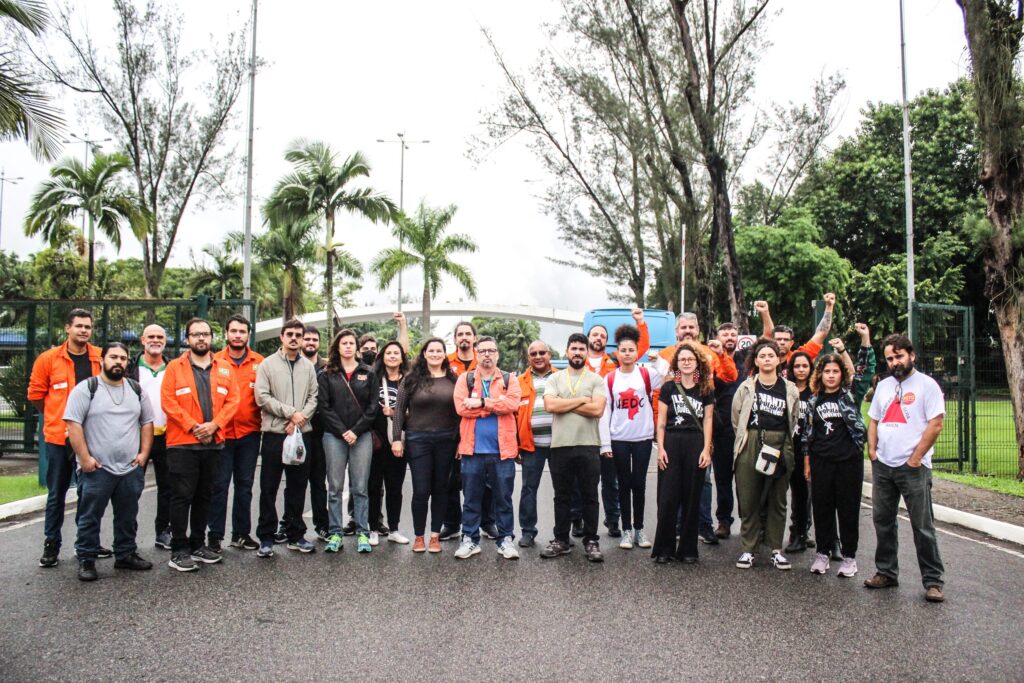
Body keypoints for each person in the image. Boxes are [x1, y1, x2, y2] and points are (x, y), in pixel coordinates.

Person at [865, 334, 946, 603]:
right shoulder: (885, 386)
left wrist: (915, 458)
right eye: (890, 358)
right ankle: (886, 572)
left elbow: (935, 424)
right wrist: (873, 450)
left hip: (913, 467)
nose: (894, 362)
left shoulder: (927, 386)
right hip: (883, 466)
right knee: (883, 521)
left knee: (922, 526)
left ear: (911, 355)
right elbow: (874, 420)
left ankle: (933, 581)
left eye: (899, 356)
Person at [65, 342, 154, 581]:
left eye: (123, 358)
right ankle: (86, 559)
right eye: (113, 357)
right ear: (102, 360)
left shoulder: (136, 390)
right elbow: (73, 424)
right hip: (97, 468)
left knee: (127, 515)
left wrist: (144, 454)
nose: (119, 362)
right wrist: (84, 459)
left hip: (130, 468)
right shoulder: (87, 389)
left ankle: (125, 555)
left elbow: (147, 423)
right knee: (90, 516)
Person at [161, 318, 240, 572]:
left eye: (205, 334)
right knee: (182, 496)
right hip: (183, 444)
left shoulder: (225, 368)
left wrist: (214, 425)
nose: (201, 339)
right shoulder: (174, 367)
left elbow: (233, 402)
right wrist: (195, 427)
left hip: (214, 443)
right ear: (187, 339)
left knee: (205, 496)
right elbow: (168, 402)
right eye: (196, 335)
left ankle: (197, 543)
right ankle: (179, 549)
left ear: (212, 338)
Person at [652, 312, 737, 546]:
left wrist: (722, 355)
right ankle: (678, 526)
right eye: (683, 327)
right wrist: (658, 426)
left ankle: (704, 525)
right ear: (676, 331)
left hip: (702, 425)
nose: (687, 331)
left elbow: (730, 377)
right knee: (675, 479)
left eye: (691, 327)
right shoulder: (665, 355)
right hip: (675, 428)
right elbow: (662, 392)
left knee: (704, 479)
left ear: (698, 329)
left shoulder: (708, 353)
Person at [29, 308, 104, 568]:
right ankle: (52, 544)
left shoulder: (99, 357)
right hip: (58, 438)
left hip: (91, 438)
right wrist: (56, 417)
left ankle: (87, 541)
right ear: (67, 328)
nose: (84, 330)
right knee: (57, 494)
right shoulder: (48, 359)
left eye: (88, 327)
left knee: (90, 492)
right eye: (79, 326)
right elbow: (36, 396)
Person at [731, 338, 800, 571]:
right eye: (763, 356)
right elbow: (736, 417)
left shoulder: (789, 388)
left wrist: (784, 446)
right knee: (749, 497)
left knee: (777, 500)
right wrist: (746, 439)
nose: (767, 359)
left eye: (772, 355)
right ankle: (749, 549)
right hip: (751, 443)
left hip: (780, 443)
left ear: (779, 359)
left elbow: (794, 418)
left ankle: (774, 550)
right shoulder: (746, 386)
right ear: (756, 360)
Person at [253, 318, 319, 558]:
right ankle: (267, 537)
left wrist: (299, 420)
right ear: (281, 337)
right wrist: (291, 415)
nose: (294, 338)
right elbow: (262, 397)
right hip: (274, 435)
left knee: (297, 487)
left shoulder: (308, 367)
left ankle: (295, 534)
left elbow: (314, 397)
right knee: (269, 487)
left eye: (298, 335)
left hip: (302, 435)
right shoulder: (267, 365)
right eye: (289, 334)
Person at [540, 333, 608, 562]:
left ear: (587, 353)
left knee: (590, 496)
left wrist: (564, 404)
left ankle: (591, 541)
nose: (578, 352)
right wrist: (582, 400)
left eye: (582, 349)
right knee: (562, 496)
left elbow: (597, 410)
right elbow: (550, 405)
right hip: (560, 446)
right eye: (574, 348)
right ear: (567, 352)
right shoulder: (555, 379)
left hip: (589, 445)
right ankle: (561, 540)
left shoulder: (596, 380)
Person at [453, 336, 522, 560]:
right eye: (482, 351)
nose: (487, 355)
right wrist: (495, 407)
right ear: (476, 353)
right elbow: (461, 408)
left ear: (497, 354)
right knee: (471, 498)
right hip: (472, 450)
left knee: (503, 498)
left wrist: (482, 403)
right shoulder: (466, 378)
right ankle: (470, 539)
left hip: (502, 451)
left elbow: (512, 404)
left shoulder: (510, 379)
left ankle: (505, 540)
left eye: (491, 350)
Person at [601, 324, 667, 550]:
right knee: (623, 484)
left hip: (643, 437)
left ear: (637, 351)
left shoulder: (647, 373)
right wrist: (605, 443)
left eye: (631, 349)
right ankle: (626, 529)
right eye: (623, 350)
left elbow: (671, 374)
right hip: (618, 438)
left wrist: (656, 359)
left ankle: (639, 528)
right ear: (617, 352)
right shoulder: (609, 379)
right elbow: (605, 412)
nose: (627, 353)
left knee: (639, 483)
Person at [391, 338, 460, 553]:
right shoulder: (411, 379)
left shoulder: (454, 379)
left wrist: (460, 441)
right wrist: (396, 438)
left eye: (439, 350)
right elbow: (399, 411)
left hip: (446, 440)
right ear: (424, 353)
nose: (435, 354)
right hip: (418, 439)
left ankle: (434, 536)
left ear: (444, 354)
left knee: (441, 488)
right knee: (421, 490)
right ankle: (419, 536)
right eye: (431, 350)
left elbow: (460, 414)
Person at [802, 352, 867, 579]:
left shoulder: (849, 396)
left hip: (848, 461)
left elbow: (864, 373)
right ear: (820, 374)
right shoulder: (814, 400)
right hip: (821, 461)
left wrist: (857, 346)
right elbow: (807, 435)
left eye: (835, 371)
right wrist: (807, 462)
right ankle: (822, 553)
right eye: (827, 371)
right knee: (822, 508)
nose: (831, 376)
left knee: (848, 509)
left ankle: (849, 557)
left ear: (842, 374)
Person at [651, 342, 714, 564]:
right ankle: (664, 548)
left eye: (690, 359)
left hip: (695, 443)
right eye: (682, 359)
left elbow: (708, 420)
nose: (686, 362)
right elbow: (660, 422)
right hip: (672, 441)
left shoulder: (705, 388)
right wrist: (660, 449)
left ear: (697, 363)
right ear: (676, 363)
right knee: (668, 498)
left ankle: (688, 549)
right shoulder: (668, 387)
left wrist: (707, 449)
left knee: (691, 496)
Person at [318, 329, 379, 554]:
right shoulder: (326, 374)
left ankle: (362, 532)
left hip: (362, 436)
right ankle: (335, 532)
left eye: (351, 343)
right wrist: (344, 431)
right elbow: (324, 407)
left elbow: (374, 407)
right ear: (337, 347)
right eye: (343, 343)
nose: (348, 347)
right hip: (334, 436)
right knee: (334, 487)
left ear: (357, 347)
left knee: (360, 487)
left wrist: (356, 430)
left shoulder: (369, 373)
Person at [207, 315, 265, 552]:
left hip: (249, 434)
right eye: (234, 331)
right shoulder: (214, 361)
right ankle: (215, 535)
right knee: (219, 486)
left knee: (245, 485)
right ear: (226, 334)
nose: (238, 335)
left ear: (248, 335)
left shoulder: (259, 362)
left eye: (242, 331)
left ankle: (241, 534)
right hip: (221, 435)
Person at [441, 321, 497, 542]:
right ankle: (452, 523)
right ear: (455, 339)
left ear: (474, 339)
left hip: (477, 427)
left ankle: (487, 522)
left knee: (485, 479)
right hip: (449, 428)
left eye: (468, 334)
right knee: (450, 480)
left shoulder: (483, 361)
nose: (464, 337)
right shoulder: (446, 363)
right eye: (460, 334)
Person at [126, 324, 171, 551]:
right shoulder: (130, 368)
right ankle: (127, 537)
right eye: (151, 337)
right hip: (136, 438)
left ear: (165, 341)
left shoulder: (174, 368)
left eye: (160, 337)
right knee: (131, 488)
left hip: (167, 436)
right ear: (142, 340)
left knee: (168, 488)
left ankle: (163, 531)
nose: (155, 340)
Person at [515, 340, 555, 548]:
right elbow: (513, 415)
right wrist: (515, 445)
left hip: (560, 444)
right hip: (531, 445)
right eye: (533, 353)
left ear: (549, 354)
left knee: (565, 489)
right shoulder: (519, 381)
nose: (538, 356)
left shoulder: (561, 377)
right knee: (529, 489)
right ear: (528, 357)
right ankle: (528, 531)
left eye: (542, 352)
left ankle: (563, 531)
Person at [371, 340, 410, 544]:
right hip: (376, 440)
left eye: (396, 353)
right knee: (374, 486)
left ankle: (394, 529)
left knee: (395, 486)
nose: (393, 356)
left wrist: (395, 412)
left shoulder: (410, 380)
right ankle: (374, 529)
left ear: (402, 357)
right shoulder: (374, 378)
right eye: (388, 353)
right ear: (382, 357)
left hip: (400, 440)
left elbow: (416, 410)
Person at [299, 324, 330, 543]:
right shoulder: (293, 365)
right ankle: (291, 525)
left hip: (321, 432)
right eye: (306, 339)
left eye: (314, 340)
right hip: (297, 430)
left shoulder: (328, 367)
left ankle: (322, 525)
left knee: (319, 482)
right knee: (296, 482)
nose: (310, 343)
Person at [783, 351, 815, 555]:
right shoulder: (787, 390)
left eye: (805, 366)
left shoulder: (816, 391)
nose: (801, 370)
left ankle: (800, 535)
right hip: (788, 446)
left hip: (809, 450)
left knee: (803, 495)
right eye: (797, 366)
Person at [760, 293, 836, 374]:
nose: (782, 342)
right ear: (772, 341)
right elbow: (768, 335)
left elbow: (821, 333)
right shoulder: (762, 360)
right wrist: (765, 312)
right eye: (778, 339)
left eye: (786, 340)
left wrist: (829, 306)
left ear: (791, 343)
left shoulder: (799, 358)